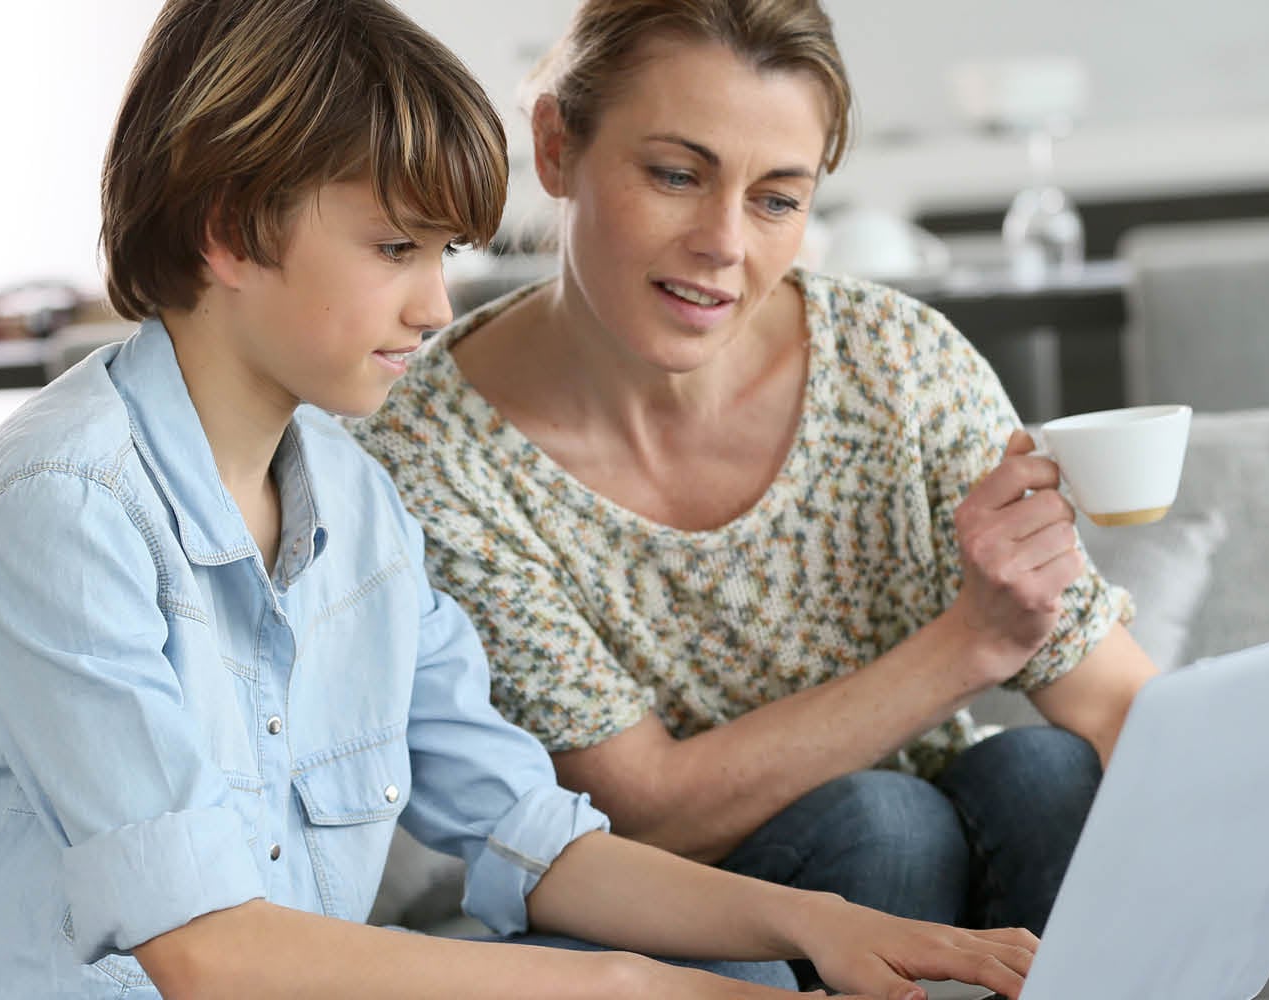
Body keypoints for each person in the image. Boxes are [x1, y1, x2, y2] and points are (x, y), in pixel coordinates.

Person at [0, 1, 1038, 998]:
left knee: (746, 961)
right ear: (227, 227)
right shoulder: (68, 504)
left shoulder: (358, 513)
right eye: (394, 251)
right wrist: (618, 984)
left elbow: (530, 836)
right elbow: (209, 955)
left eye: (441, 255)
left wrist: (826, 922)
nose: (437, 308)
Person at [350, 0, 1161, 957]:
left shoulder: (896, 368)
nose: (725, 243)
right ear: (557, 145)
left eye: (777, 197)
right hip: (679, 914)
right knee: (885, 824)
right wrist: (970, 645)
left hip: (946, 864)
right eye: (676, 175)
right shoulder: (437, 457)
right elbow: (639, 811)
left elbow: (1111, 702)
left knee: (1043, 774)